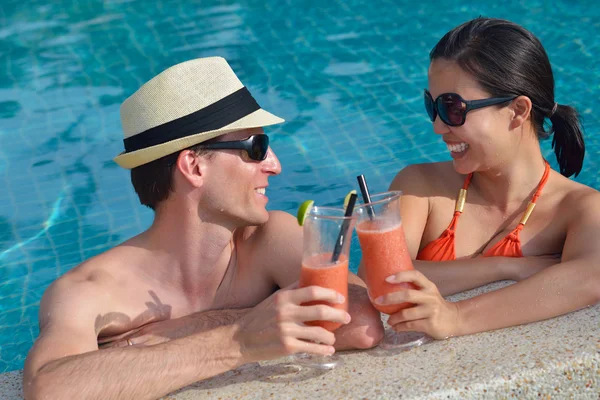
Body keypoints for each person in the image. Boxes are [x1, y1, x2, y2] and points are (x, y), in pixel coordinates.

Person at [23, 57, 383, 400]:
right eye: (257, 148)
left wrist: (196, 331)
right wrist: (239, 340)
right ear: (194, 166)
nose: (275, 165)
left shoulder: (271, 238)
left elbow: (363, 320)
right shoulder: (89, 291)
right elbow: (49, 389)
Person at [360, 17, 600, 340]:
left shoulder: (578, 208)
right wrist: (506, 267)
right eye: (432, 106)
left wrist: (456, 317)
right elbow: (380, 278)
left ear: (518, 110)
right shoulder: (421, 187)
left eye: (452, 108)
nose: (437, 127)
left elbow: (591, 276)